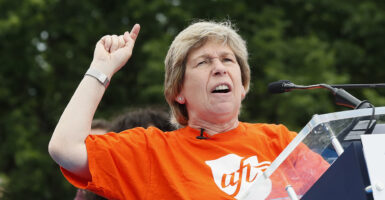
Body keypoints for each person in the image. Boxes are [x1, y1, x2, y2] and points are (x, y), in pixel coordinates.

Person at [49, 20, 329, 199]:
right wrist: (102, 68)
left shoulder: (279, 141)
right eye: (203, 62)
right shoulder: (152, 153)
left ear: (243, 85)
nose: (219, 68)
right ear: (177, 92)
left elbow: (343, 187)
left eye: (228, 60)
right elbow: (65, 148)